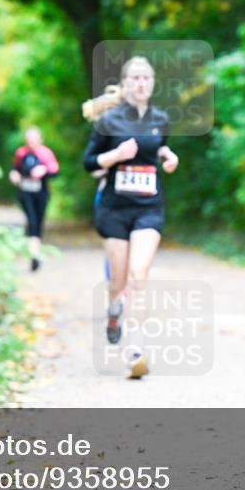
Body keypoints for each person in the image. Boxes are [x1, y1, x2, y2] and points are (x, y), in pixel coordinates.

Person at [83, 56, 180, 378]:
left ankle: (136, 349)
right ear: (125, 84)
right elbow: (89, 162)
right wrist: (116, 155)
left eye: (146, 78)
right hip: (114, 209)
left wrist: (167, 156)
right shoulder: (108, 121)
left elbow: (157, 148)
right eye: (135, 78)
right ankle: (114, 310)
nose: (141, 83)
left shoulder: (161, 119)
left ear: (152, 83)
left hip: (148, 208)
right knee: (119, 282)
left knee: (139, 276)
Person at [9, 128, 59, 271]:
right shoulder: (21, 153)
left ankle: (35, 250)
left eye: (34, 139)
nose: (31, 143)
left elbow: (55, 171)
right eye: (29, 140)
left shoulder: (46, 153)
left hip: (41, 193)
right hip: (25, 192)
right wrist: (14, 175)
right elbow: (15, 169)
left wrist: (44, 171)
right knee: (31, 220)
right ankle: (34, 254)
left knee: (38, 221)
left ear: (40, 139)